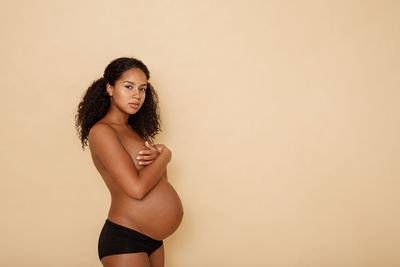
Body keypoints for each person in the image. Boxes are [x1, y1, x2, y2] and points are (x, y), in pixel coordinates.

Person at [75, 57, 183, 267]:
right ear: (110, 88)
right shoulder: (102, 132)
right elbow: (137, 189)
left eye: (142, 89)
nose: (137, 95)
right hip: (126, 238)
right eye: (128, 86)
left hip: (154, 240)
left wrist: (160, 158)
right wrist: (166, 155)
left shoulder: (134, 132)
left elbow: (161, 182)